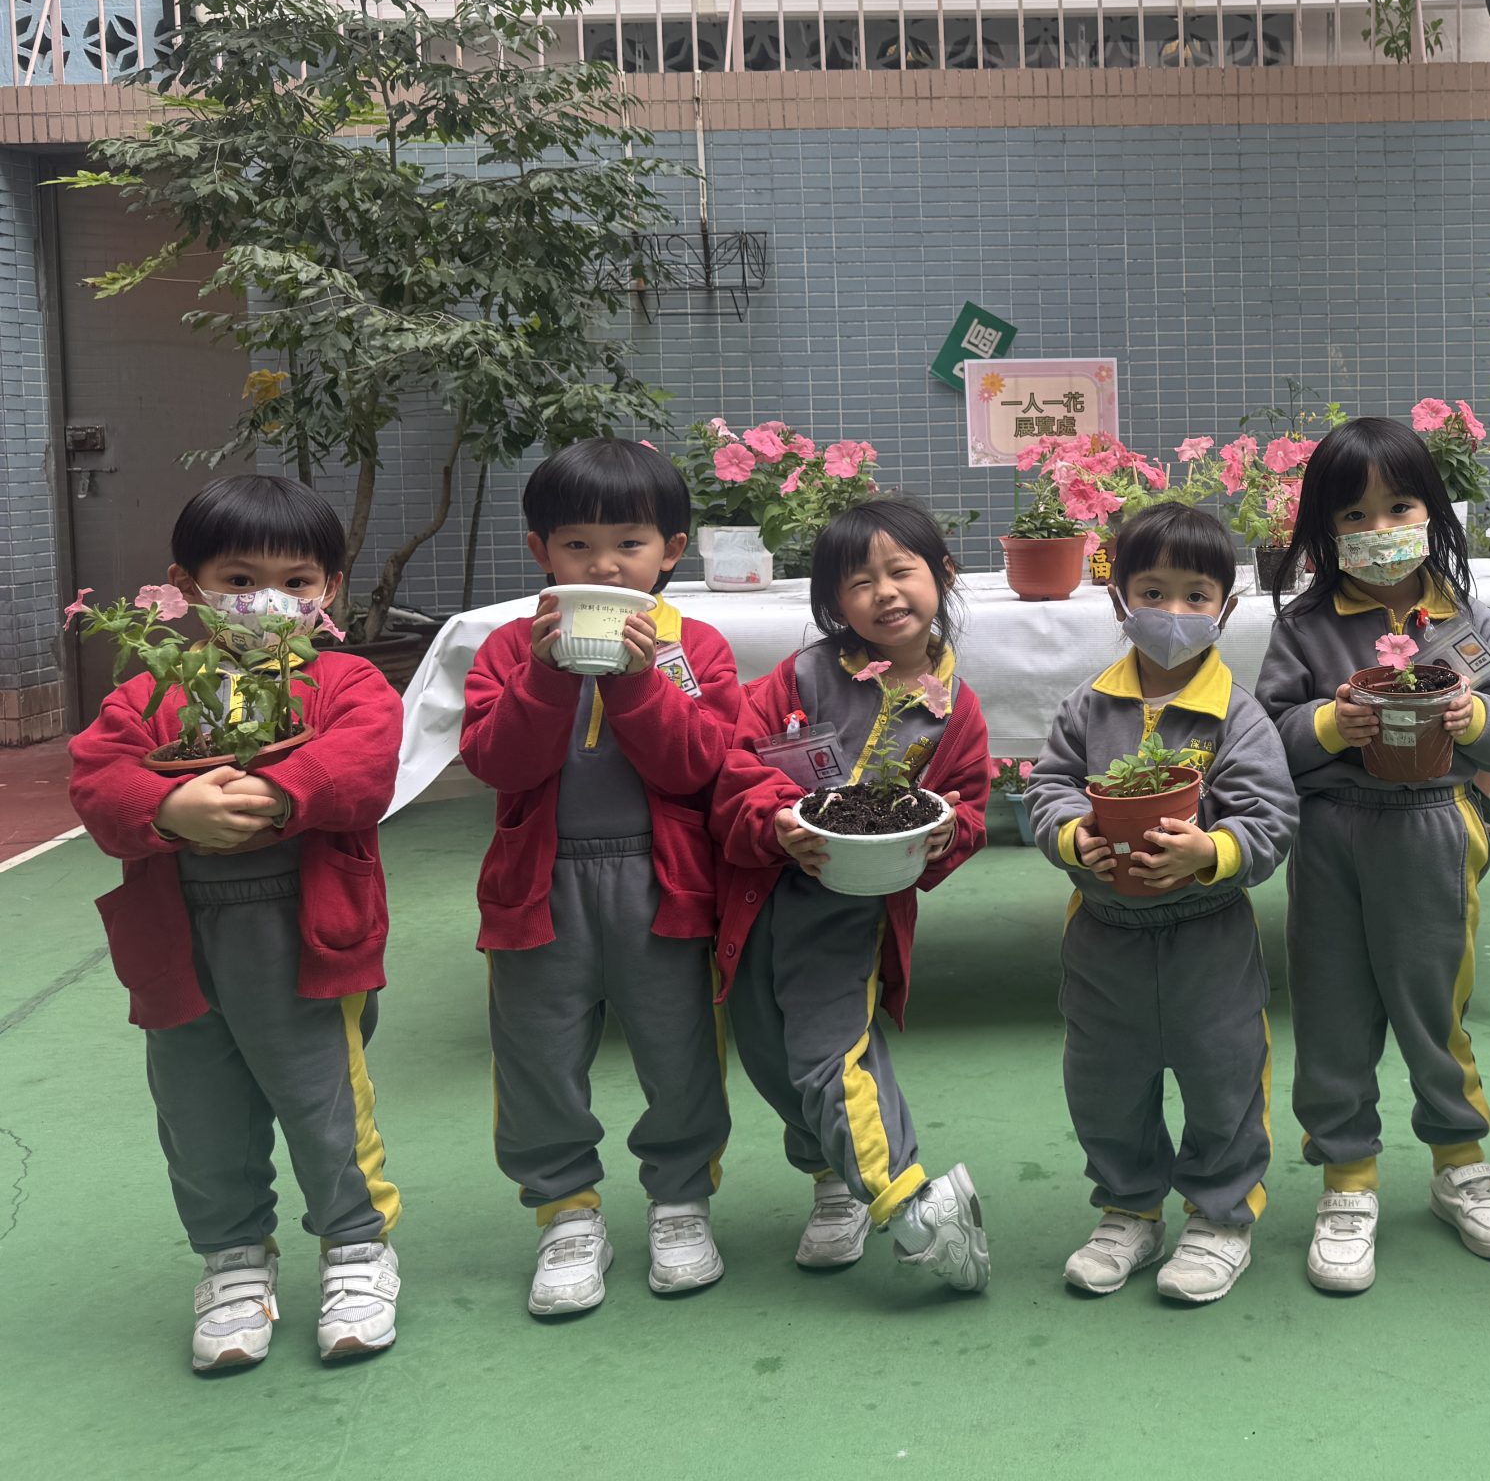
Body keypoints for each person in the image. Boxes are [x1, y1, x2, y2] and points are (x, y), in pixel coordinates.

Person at [68, 475, 404, 1372]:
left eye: (297, 582)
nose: (268, 601)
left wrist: (281, 791)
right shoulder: (151, 691)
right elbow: (98, 779)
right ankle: (231, 1262)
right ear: (187, 586)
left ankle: (356, 1249)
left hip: (306, 934)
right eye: (240, 579)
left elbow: (366, 761)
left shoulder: (344, 679)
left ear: (329, 588)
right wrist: (166, 808)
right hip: (177, 940)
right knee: (198, 1109)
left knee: (323, 1098)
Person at [459, 437, 742, 1316]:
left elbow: (697, 766)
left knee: (679, 1049)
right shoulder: (509, 648)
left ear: (672, 550)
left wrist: (636, 680)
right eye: (577, 544)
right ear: (539, 551)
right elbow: (497, 762)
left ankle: (681, 1200)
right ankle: (565, 1212)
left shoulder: (696, 647)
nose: (605, 565)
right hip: (539, 887)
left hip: (663, 884)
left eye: (630, 542)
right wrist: (546, 675)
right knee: (537, 1055)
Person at [1253, 416, 1490, 1295]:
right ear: (1323, 532)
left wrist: (1474, 717)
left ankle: (1461, 1161)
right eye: (1354, 516)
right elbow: (1266, 737)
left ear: (1434, 512)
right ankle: (1347, 1179)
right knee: (1332, 1009)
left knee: (1434, 1005)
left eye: (1400, 507)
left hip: (1433, 831)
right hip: (1333, 836)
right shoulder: (1304, 627)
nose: (1380, 531)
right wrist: (1329, 723)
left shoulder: (1470, 621)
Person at [709, 497, 994, 1292]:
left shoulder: (954, 711)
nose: (885, 593)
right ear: (835, 601)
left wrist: (947, 833)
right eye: (859, 582)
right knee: (771, 1056)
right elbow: (735, 762)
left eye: (902, 571)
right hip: (760, 897)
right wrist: (775, 821)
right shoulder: (801, 677)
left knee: (830, 1056)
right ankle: (833, 1177)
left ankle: (912, 1202)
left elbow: (969, 806)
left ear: (943, 575)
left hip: (849, 911)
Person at [1026, 502, 1297, 1305]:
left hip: (1207, 936)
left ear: (1225, 609)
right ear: (1120, 599)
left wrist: (1211, 851)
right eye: (1152, 592)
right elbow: (1048, 786)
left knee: (1223, 1073)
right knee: (1104, 1079)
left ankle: (1220, 1218)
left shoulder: (1237, 716)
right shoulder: (1088, 706)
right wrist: (1072, 835)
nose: (1172, 613)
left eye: (1194, 596)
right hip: (1104, 935)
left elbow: (1269, 816)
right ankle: (1128, 1208)